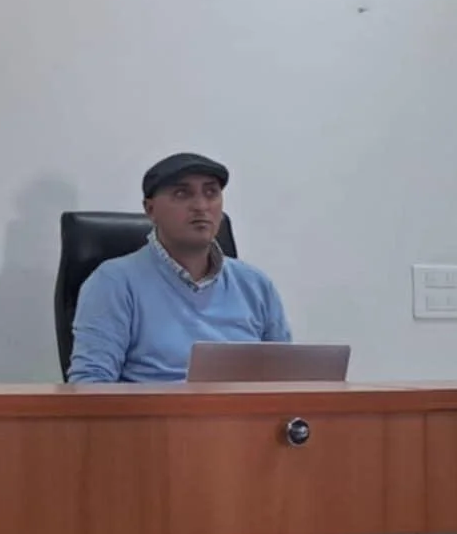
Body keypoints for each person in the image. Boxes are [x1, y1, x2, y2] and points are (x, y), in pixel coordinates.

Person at [67, 153, 290, 384]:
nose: (201, 206)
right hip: (154, 407)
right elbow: (90, 385)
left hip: (245, 407)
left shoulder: (255, 284)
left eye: (211, 193)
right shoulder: (114, 283)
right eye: (182, 194)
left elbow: (288, 377)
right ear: (150, 209)